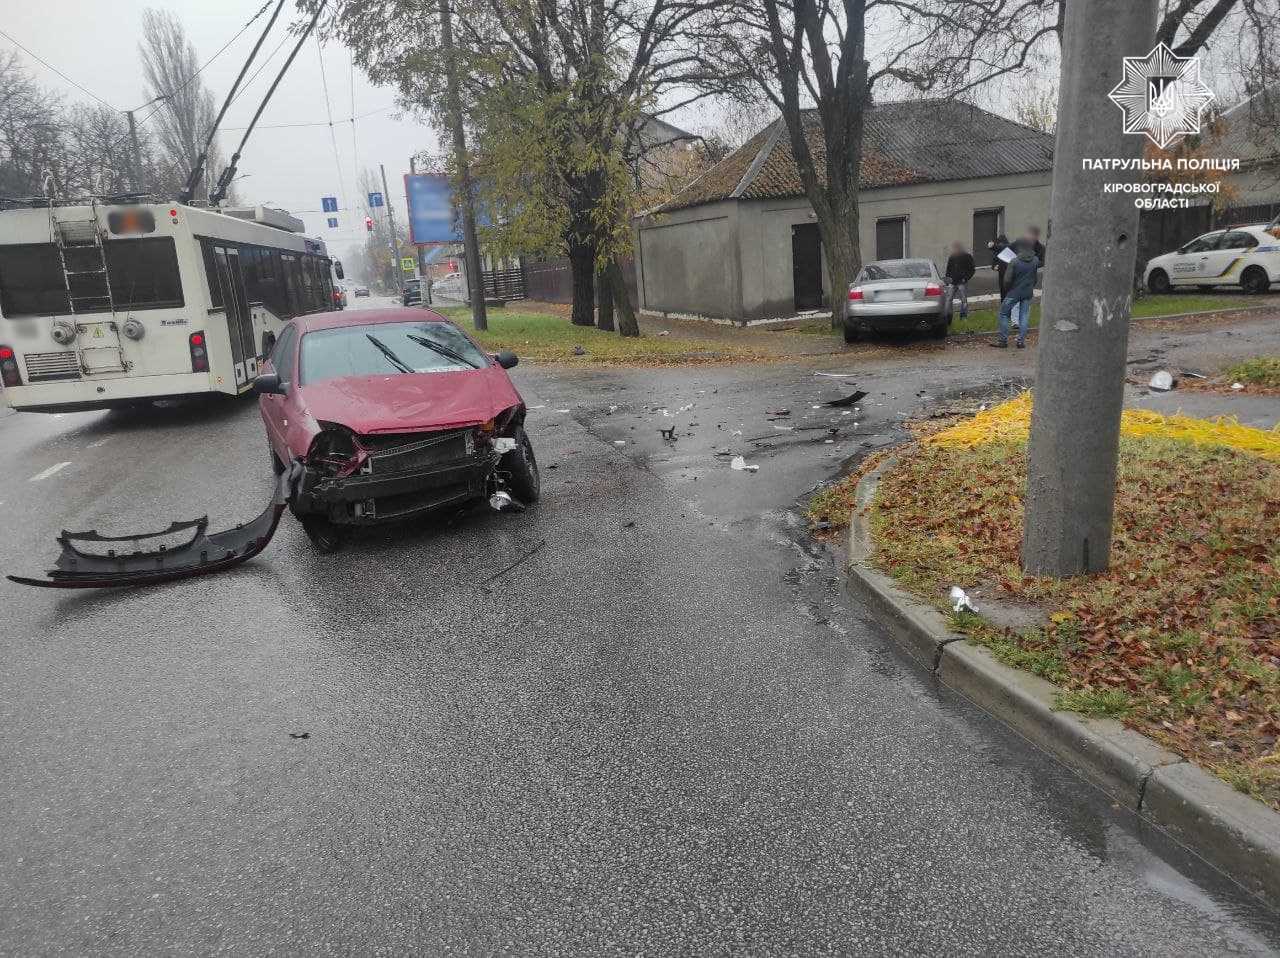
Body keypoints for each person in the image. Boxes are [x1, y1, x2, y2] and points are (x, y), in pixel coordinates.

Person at [994, 242, 1040, 348]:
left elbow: (1007, 280)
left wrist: (1008, 290)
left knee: (1003, 313)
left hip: (1014, 292)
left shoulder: (1014, 261)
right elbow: (1035, 278)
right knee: (1024, 316)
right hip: (1028, 292)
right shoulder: (1035, 260)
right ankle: (1020, 341)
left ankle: (1003, 340)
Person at [943, 241, 976, 320]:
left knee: (963, 300)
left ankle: (963, 316)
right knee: (949, 299)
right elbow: (948, 269)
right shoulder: (952, 257)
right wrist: (947, 280)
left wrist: (966, 278)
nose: (955, 249)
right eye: (954, 248)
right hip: (952, 282)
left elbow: (972, 269)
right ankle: (948, 316)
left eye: (957, 247)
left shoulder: (967, 256)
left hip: (962, 282)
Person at [988, 233, 1012, 298]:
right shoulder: (1009, 248)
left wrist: (994, 267)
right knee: (1008, 289)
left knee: (1003, 289)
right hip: (1007, 271)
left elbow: (994, 260)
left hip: (1003, 272)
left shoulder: (1000, 249)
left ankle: (1004, 304)